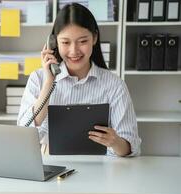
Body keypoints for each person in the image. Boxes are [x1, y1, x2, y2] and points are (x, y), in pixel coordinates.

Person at [17, 3, 141, 156]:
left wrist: (115, 141)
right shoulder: (38, 79)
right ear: (53, 43)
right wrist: (48, 82)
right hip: (51, 167)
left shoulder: (114, 84)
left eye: (82, 41)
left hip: (100, 170)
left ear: (94, 38)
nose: (74, 51)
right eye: (65, 42)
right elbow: (23, 132)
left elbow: (131, 148)